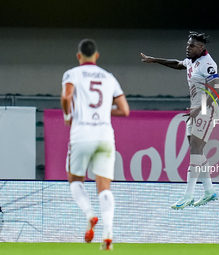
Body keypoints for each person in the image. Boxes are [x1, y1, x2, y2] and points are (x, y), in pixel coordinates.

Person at [61, 39, 129, 250]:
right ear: (97, 56)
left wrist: (67, 114)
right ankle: (108, 234)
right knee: (104, 187)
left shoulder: (72, 73)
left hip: (82, 133)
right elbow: (125, 110)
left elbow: (67, 95)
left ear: (79, 56)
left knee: (74, 180)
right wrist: (101, 112)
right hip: (105, 135)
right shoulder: (109, 77)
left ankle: (90, 215)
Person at [141, 31, 219, 210]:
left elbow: (216, 91)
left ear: (202, 48)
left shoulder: (208, 64)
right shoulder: (192, 61)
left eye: (192, 45)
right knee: (194, 146)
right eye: (187, 44)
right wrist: (155, 60)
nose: (188, 47)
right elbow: (178, 64)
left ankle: (188, 195)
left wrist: (200, 108)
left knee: (195, 149)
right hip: (195, 109)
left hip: (207, 109)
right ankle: (209, 191)